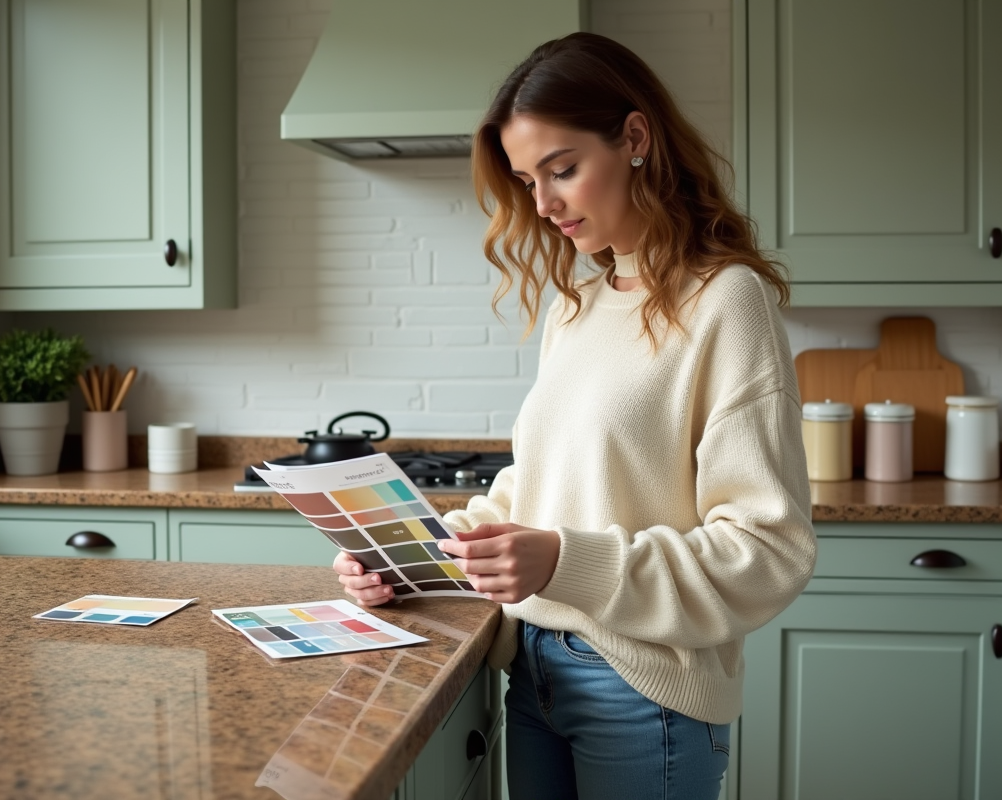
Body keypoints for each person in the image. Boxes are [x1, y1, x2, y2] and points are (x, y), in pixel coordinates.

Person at [334, 32, 816, 800]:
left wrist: (567, 562)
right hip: (533, 672)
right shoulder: (578, 306)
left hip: (645, 692)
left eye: (562, 170)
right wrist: (412, 558)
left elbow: (767, 550)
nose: (543, 204)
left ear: (634, 139)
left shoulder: (727, 302)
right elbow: (540, 486)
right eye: (528, 180)